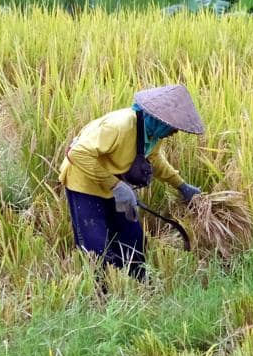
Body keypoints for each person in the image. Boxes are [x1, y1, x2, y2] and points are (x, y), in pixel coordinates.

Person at [58, 84, 205, 280]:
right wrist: (116, 186)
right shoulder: (119, 126)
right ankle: (100, 296)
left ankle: (137, 288)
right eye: (173, 127)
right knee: (96, 247)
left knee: (133, 240)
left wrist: (182, 186)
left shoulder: (152, 132)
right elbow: (77, 154)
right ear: (158, 118)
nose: (175, 132)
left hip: (114, 185)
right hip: (84, 182)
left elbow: (154, 159)